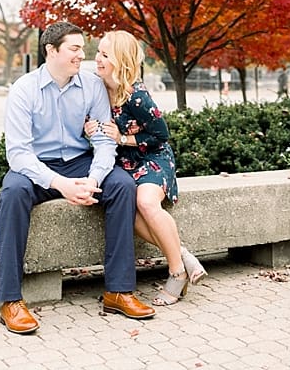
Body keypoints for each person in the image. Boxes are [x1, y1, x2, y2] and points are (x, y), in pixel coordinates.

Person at [0, 21, 155, 335]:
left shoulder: (92, 85)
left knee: (122, 185)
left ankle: (118, 291)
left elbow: (104, 140)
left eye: (83, 48)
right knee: (12, 193)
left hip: (81, 164)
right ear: (51, 51)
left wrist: (94, 179)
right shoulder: (24, 89)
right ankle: (10, 300)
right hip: (36, 168)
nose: (83, 55)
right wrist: (60, 184)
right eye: (74, 48)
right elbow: (18, 154)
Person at [85, 30, 207, 305]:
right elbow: (89, 123)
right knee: (128, 208)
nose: (98, 59)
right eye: (98, 53)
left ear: (121, 60)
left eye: (105, 55)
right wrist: (88, 129)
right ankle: (183, 255)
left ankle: (176, 273)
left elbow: (160, 136)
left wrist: (123, 138)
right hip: (123, 164)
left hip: (152, 159)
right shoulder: (96, 86)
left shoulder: (136, 96)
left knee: (147, 203)